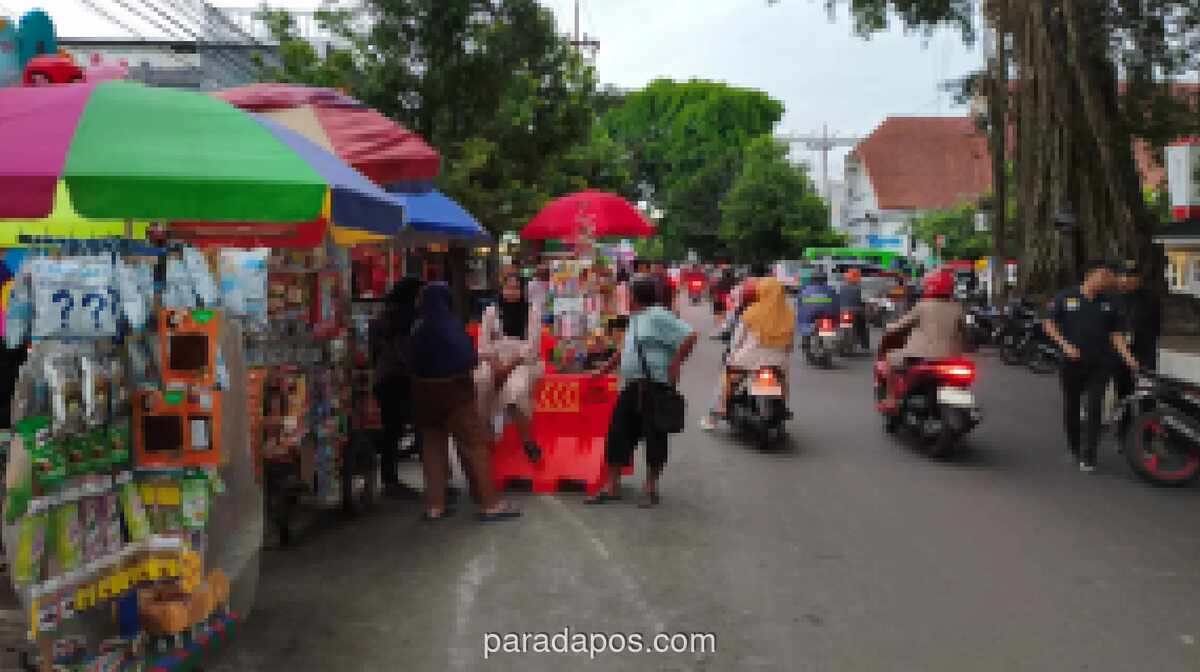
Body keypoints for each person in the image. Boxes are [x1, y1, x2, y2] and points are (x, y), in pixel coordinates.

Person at [408, 283, 521, 521]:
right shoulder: (451, 326)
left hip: (423, 394)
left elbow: (411, 361)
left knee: (432, 448)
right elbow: (468, 359)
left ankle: (435, 506)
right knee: (473, 446)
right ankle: (489, 504)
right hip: (455, 393)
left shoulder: (418, 328)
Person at [588, 275, 698, 508]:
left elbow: (690, 335)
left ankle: (650, 488)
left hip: (654, 385)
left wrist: (676, 362)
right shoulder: (635, 318)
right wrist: (604, 369)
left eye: (628, 294)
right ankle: (613, 486)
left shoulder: (658, 315)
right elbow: (624, 349)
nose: (626, 297)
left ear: (637, 296)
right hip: (632, 386)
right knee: (618, 433)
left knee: (655, 437)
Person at [1044, 261, 1142, 472]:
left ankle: (1089, 455)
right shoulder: (1066, 297)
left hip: (1100, 363)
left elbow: (1116, 335)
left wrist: (1128, 357)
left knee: (1094, 406)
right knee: (1071, 405)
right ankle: (1075, 447)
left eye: (1109, 276)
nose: (1108, 280)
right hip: (1072, 363)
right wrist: (1065, 345)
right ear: (1090, 276)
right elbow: (1049, 324)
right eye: (1104, 276)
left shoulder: (1110, 302)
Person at [701, 277, 794, 431]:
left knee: (728, 376)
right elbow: (789, 345)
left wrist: (731, 355)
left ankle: (720, 408)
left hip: (749, 359)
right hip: (778, 360)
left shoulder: (752, 312)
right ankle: (783, 405)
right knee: (783, 381)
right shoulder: (789, 315)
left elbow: (737, 341)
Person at [475, 274, 544, 463]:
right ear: (502, 289)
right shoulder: (491, 311)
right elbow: (483, 343)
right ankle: (483, 436)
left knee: (517, 390)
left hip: (521, 361)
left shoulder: (532, 312)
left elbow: (532, 345)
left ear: (522, 291)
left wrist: (509, 366)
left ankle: (527, 441)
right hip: (493, 360)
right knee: (481, 383)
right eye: (508, 288)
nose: (512, 292)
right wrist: (495, 364)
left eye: (516, 288)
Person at [368, 278, 422, 498]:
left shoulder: (380, 318)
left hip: (384, 379)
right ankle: (390, 481)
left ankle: (389, 478)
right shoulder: (408, 320)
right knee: (397, 428)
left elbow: (375, 352)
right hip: (400, 379)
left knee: (392, 428)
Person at [881, 269, 965, 405]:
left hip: (921, 356)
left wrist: (889, 327)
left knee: (890, 359)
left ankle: (891, 399)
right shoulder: (957, 308)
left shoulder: (922, 306)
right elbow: (964, 331)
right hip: (952, 357)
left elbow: (901, 325)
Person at [1112, 261, 1161, 421]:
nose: (1126, 279)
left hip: (1145, 352)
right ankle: (1123, 434)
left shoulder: (1151, 298)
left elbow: (1156, 327)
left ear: (1139, 278)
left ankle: (1148, 434)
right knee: (1123, 394)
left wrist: (1149, 352)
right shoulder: (1112, 298)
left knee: (1146, 395)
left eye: (1131, 276)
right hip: (1121, 354)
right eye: (1123, 275)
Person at [796, 271, 840, 353]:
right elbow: (836, 303)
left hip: (810, 317)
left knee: (805, 326)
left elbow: (800, 305)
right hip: (826, 315)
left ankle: (806, 344)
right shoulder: (830, 289)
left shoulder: (806, 289)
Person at [839, 268, 870, 350]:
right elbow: (866, 302)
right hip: (857, 312)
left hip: (843, 312)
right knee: (863, 326)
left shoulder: (841, 288)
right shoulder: (861, 288)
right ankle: (864, 344)